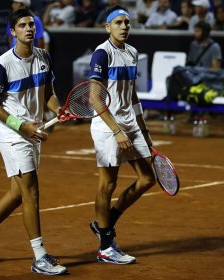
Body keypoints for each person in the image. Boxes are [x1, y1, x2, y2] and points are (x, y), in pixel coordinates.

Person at [0, 9, 67, 276]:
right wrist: (20, 125)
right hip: (13, 134)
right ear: (13, 32)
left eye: (31, 25)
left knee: (17, 193)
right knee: (31, 192)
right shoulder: (3, 64)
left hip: (34, 132)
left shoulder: (44, 57)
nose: (29, 29)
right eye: (22, 25)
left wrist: (57, 110)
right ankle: (40, 256)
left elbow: (48, 94)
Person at [88, 5, 156, 264]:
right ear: (108, 27)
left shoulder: (133, 53)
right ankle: (106, 246)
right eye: (118, 23)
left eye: (127, 22)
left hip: (130, 124)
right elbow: (95, 98)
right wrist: (116, 130)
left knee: (147, 178)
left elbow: (132, 94)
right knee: (108, 183)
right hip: (107, 127)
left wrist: (144, 128)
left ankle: (107, 221)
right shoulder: (101, 54)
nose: (124, 27)